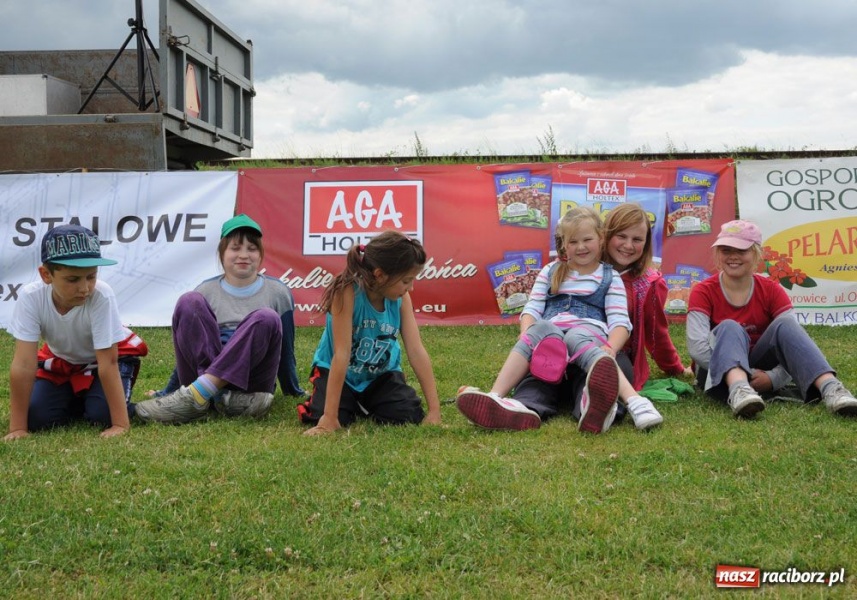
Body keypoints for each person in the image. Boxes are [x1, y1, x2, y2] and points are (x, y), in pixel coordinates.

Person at [456, 205, 663, 433]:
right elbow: (532, 309)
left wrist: (610, 348)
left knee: (579, 341)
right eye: (573, 242)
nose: (581, 247)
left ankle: (612, 405)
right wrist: (528, 336)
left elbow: (620, 322)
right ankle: (503, 401)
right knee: (542, 336)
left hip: (587, 342)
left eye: (587, 240)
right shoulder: (550, 271)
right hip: (551, 347)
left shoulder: (609, 276)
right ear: (563, 244)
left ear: (600, 238)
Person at [134, 214, 303, 423]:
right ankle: (212, 395)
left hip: (252, 382)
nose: (243, 255)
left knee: (266, 317)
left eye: (252, 249)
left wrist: (292, 390)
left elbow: (285, 349)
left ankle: (202, 395)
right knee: (189, 301)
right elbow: (190, 348)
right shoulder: (205, 291)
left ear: (260, 255)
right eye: (235, 248)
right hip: (202, 372)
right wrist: (168, 391)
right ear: (222, 253)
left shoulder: (278, 292)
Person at [686, 219, 857, 418]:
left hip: (760, 364)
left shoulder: (772, 289)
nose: (733, 257)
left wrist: (773, 378)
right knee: (729, 326)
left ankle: (832, 390)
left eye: (741, 251)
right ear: (717, 254)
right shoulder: (703, 290)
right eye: (725, 250)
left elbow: (794, 346)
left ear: (756, 253)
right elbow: (697, 348)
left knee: (787, 324)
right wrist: (743, 373)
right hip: (715, 372)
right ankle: (739, 390)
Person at [4, 224, 146, 440]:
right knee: (37, 419)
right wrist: (17, 428)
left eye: (91, 276)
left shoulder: (102, 296)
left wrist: (119, 424)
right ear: (45, 275)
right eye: (73, 279)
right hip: (63, 361)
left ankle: (94, 401)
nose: (85, 288)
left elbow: (108, 363)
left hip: (104, 361)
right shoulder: (30, 297)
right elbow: (24, 364)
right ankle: (83, 396)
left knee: (102, 416)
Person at [297, 230, 442, 435]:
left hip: (380, 375)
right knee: (325, 413)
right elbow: (341, 354)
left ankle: (361, 403)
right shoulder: (346, 292)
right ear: (380, 275)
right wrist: (329, 417)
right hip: (339, 372)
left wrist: (434, 411)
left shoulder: (401, 299)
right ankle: (345, 405)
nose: (411, 288)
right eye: (406, 281)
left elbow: (416, 350)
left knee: (407, 413)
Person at [603, 202, 693, 388]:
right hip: (576, 342)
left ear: (646, 244)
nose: (628, 245)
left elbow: (656, 333)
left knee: (613, 377)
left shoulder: (650, 284)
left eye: (637, 239)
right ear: (606, 234)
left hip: (616, 353)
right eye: (621, 236)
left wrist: (676, 368)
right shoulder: (586, 269)